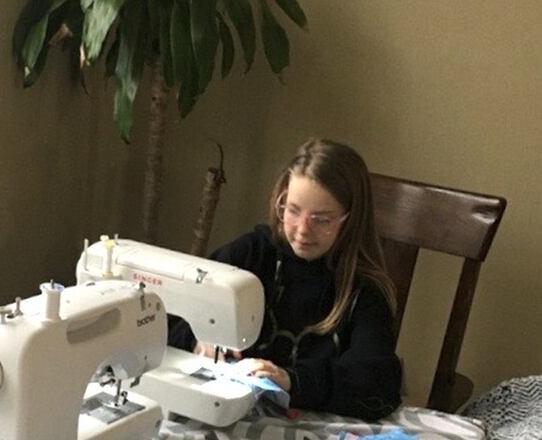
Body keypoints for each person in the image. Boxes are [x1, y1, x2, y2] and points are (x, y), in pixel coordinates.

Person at [168, 138, 402, 421]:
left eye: (321, 219)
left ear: (350, 220)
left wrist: (291, 380)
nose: (303, 230)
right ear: (281, 200)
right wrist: (198, 341)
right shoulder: (250, 254)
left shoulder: (363, 292)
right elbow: (167, 316)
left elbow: (377, 385)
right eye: (292, 210)